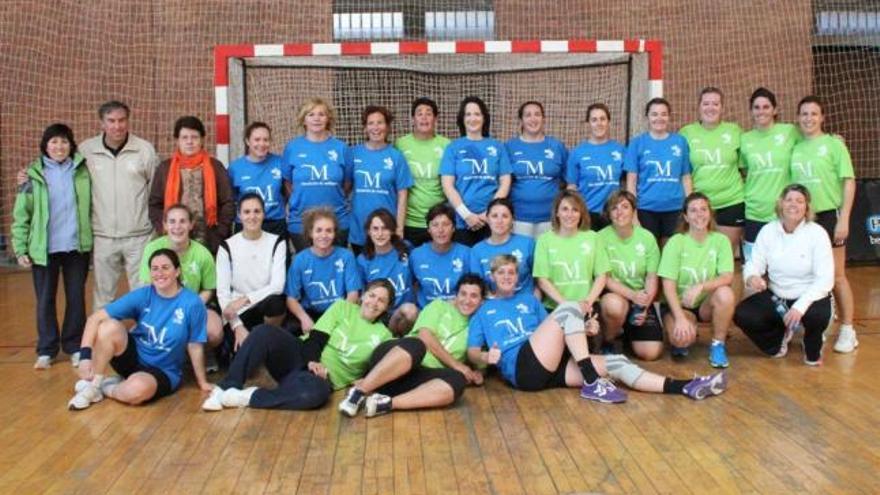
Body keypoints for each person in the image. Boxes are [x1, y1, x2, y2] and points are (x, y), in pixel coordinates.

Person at [467, 255, 727, 403]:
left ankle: (684, 386)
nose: (507, 277)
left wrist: (585, 328)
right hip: (522, 367)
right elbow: (472, 352)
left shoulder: (529, 301)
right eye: (501, 273)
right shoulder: (483, 310)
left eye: (512, 273)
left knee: (617, 363)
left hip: (551, 364)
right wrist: (483, 358)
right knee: (569, 307)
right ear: (492, 276)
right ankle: (592, 381)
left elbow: (553, 331)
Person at [202, 280, 395, 411]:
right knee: (263, 331)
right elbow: (316, 337)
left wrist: (363, 380)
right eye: (371, 295)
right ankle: (225, 387)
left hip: (322, 379)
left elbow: (380, 368)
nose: (374, 302)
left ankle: (244, 398)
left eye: (381, 300)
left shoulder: (384, 335)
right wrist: (312, 361)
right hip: (300, 357)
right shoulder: (342, 307)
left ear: (386, 307)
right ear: (363, 296)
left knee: (314, 395)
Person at [68, 248, 210, 410]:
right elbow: (95, 318)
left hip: (163, 371)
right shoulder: (143, 295)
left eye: (165, 267)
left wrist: (202, 382)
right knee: (108, 326)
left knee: (136, 392)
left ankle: (105, 388)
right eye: (154, 269)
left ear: (177, 271)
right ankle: (93, 386)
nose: (159, 273)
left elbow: (195, 345)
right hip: (133, 358)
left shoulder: (192, 303)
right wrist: (85, 357)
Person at [336, 275, 487, 418]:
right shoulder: (439, 306)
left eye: (474, 296)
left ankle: (385, 404)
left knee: (458, 381)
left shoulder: (479, 326)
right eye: (463, 294)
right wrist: (456, 365)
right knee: (417, 345)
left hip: (413, 380)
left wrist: (477, 374)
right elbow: (425, 335)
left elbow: (476, 361)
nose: (467, 300)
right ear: (456, 295)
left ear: (482, 301)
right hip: (395, 358)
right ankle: (358, 393)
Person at [13, 123, 92, 369]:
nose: (59, 147)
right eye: (54, 142)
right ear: (45, 146)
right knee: (45, 299)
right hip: (44, 250)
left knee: (76, 298)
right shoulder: (32, 175)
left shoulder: (82, 171)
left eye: (64, 142)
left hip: (75, 248)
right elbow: (21, 215)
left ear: (71, 145)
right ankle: (46, 349)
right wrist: (20, 248)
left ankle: (74, 346)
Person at [734, 184, 833, 365]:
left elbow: (825, 280)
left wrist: (799, 307)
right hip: (777, 297)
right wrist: (752, 277)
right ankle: (778, 339)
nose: (793, 205)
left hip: (809, 297)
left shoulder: (818, 234)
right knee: (743, 314)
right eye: (789, 200)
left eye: (799, 201)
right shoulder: (768, 231)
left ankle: (811, 341)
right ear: (780, 204)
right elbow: (754, 264)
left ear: (807, 207)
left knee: (817, 319)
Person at [790, 95, 858, 354]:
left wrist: (844, 218)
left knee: (837, 276)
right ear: (798, 118)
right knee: (808, 274)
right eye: (804, 114)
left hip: (830, 215)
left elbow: (848, 181)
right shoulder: (795, 146)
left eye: (814, 114)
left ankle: (848, 329)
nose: (809, 118)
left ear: (822, 118)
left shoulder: (833, 145)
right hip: (803, 220)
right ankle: (812, 325)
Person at [80, 101, 159, 309]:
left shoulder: (144, 150)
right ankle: (102, 339)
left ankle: (145, 338)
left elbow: (155, 192)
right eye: (111, 121)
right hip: (104, 236)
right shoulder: (86, 151)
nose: (117, 126)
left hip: (139, 237)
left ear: (128, 121)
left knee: (143, 293)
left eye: (122, 120)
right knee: (103, 296)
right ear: (102, 123)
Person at [139, 204, 222, 369]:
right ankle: (173, 356)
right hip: (160, 306)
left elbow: (208, 288)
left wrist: (188, 307)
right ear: (164, 225)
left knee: (214, 331)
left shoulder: (202, 253)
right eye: (172, 221)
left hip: (194, 305)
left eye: (183, 221)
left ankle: (203, 352)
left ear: (191, 225)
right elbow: (148, 286)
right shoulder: (152, 249)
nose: (177, 226)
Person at [658, 192, 736, 368]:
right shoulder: (676, 242)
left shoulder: (720, 240)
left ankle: (718, 345)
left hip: (704, 304)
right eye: (693, 210)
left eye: (703, 209)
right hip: (680, 303)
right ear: (685, 216)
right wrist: (679, 318)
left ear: (710, 213)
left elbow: (727, 276)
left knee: (725, 293)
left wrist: (701, 287)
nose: (699, 214)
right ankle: (684, 329)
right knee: (681, 340)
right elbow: (668, 285)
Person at [149, 116, 234, 255]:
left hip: (209, 240)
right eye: (184, 137)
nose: (189, 141)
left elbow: (228, 202)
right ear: (177, 140)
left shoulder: (215, 167)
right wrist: (164, 229)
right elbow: (154, 204)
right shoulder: (165, 169)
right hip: (173, 239)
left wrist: (221, 232)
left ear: (202, 140)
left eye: (194, 137)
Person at [216, 193, 287, 351]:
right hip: (237, 313)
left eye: (257, 211)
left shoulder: (277, 242)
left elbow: (277, 286)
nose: (252, 216)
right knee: (244, 354)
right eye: (247, 212)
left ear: (264, 214)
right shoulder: (227, 246)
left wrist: (246, 298)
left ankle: (268, 343)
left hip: (264, 306)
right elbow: (223, 293)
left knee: (276, 303)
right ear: (239, 215)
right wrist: (237, 326)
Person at [597, 190, 663, 360]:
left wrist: (644, 305)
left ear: (634, 212)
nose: (620, 212)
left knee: (650, 353)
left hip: (640, 296)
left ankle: (628, 332)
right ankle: (608, 340)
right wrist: (633, 296)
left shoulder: (647, 238)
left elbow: (651, 276)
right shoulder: (600, 238)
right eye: (614, 208)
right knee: (613, 306)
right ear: (608, 213)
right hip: (616, 294)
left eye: (625, 207)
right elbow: (605, 278)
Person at [680, 87, 744, 256]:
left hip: (731, 202)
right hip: (700, 205)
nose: (711, 108)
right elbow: (683, 172)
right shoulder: (686, 133)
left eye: (715, 104)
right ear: (699, 107)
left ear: (722, 107)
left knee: (725, 256)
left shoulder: (734, 131)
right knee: (700, 256)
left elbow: (744, 166)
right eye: (706, 103)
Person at [440, 96, 512, 246]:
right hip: (461, 222)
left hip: (492, 222)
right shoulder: (453, 148)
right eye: (468, 114)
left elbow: (505, 182)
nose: (473, 118)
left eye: (477, 114)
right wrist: (466, 215)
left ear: (484, 118)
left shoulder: (497, 146)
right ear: (462, 119)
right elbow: (447, 185)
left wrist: (489, 213)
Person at [283, 97, 351, 252]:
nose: (317, 118)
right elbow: (287, 183)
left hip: (337, 221)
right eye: (311, 114)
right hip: (300, 223)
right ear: (304, 120)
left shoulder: (341, 148)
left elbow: (347, 184)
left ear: (328, 119)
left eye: (321, 114)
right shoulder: (293, 148)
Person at [740, 87, 800, 262]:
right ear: (751, 111)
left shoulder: (789, 131)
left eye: (766, 107)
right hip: (754, 211)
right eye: (756, 107)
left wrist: (834, 138)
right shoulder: (745, 139)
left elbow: (812, 137)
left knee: (786, 264)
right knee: (754, 267)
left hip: (784, 212)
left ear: (775, 110)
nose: (761, 111)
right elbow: (744, 171)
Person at [624, 97, 693, 245]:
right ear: (647, 117)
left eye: (663, 114)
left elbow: (686, 178)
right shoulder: (637, 143)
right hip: (646, 209)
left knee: (672, 254)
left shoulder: (680, 142)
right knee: (650, 256)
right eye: (654, 114)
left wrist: (690, 208)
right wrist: (633, 213)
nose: (659, 118)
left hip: (675, 208)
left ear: (669, 117)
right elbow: (631, 182)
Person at [348, 105, 414, 254]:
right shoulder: (353, 153)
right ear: (365, 128)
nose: (376, 127)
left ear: (388, 126)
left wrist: (399, 228)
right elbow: (345, 187)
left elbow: (403, 195)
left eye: (380, 122)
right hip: (360, 228)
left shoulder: (396, 157)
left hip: (386, 229)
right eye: (371, 123)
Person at [286, 208, 362, 333]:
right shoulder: (300, 260)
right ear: (310, 233)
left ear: (335, 233)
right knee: (292, 328)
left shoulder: (346, 256)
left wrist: (338, 318)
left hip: (340, 312)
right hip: (312, 314)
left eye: (329, 231)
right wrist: (304, 318)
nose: (324, 235)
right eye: (319, 230)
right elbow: (291, 299)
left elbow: (353, 294)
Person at [533, 190, 609, 313]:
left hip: (587, 306)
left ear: (581, 214)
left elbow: (601, 276)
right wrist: (566, 305)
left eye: (575, 210)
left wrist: (587, 303)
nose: (570, 214)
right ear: (557, 213)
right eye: (565, 209)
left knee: (590, 330)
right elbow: (542, 280)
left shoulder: (593, 237)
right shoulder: (544, 240)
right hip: (556, 306)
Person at [505, 101, 567, 237]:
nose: (533, 119)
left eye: (537, 114)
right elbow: (503, 182)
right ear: (521, 121)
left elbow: (568, 181)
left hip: (551, 218)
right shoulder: (509, 147)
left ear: (543, 119)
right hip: (519, 218)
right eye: (528, 115)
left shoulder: (557, 146)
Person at [395, 97, 451, 247]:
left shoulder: (447, 145)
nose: (424, 117)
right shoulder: (400, 144)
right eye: (419, 113)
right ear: (413, 119)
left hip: (437, 222)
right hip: (409, 221)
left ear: (436, 119)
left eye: (428, 113)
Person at [356, 209, 419, 335]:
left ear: (392, 230)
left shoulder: (406, 248)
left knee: (410, 310)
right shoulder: (363, 260)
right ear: (369, 231)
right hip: (379, 313)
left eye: (385, 228)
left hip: (403, 312)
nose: (380, 234)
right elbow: (362, 296)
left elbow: (417, 279)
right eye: (375, 228)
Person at [566, 103, 626, 230]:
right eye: (594, 120)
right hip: (588, 214)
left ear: (608, 122)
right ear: (588, 124)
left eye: (602, 119)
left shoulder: (620, 150)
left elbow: (627, 182)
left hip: (614, 213)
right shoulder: (577, 152)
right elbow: (572, 187)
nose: (599, 123)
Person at [226, 122, 288, 237]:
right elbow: (231, 199)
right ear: (248, 141)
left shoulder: (280, 163)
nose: (262, 144)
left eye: (266, 140)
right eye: (257, 139)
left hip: (275, 224)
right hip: (247, 224)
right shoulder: (235, 168)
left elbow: (288, 192)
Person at [469, 198, 536, 295]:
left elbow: (540, 280)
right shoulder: (477, 250)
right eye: (494, 216)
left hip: (525, 305)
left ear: (512, 220)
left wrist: (533, 303)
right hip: (493, 305)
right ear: (487, 219)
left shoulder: (527, 244)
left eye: (505, 216)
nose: (499, 221)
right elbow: (478, 288)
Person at [410, 203, 471, 308]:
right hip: (426, 314)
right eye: (435, 225)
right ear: (429, 229)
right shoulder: (416, 255)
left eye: (446, 224)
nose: (440, 230)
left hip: (457, 311)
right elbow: (411, 286)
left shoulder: (466, 254)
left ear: (453, 228)